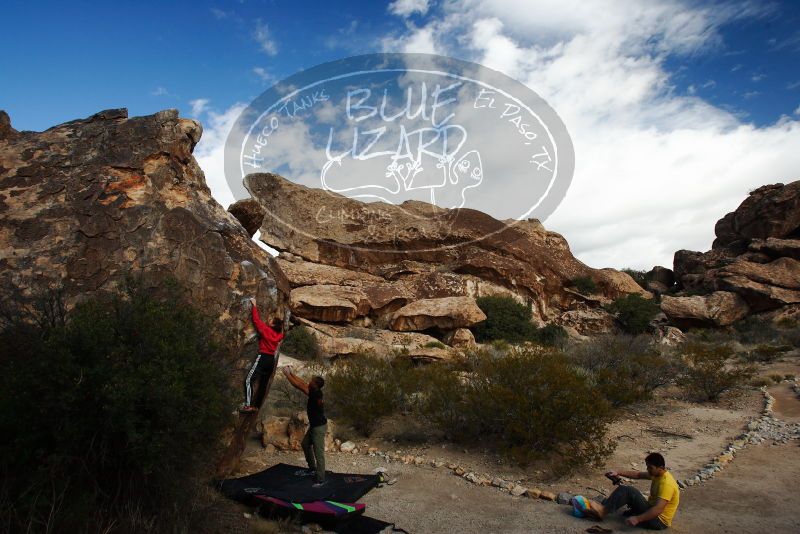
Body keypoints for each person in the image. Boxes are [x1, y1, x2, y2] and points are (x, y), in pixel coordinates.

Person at [572, 453, 680, 530]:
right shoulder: (657, 474)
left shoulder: (666, 484)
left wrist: (638, 519)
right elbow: (638, 475)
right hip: (651, 509)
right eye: (647, 467)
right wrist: (618, 472)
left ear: (660, 468)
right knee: (626, 490)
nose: (648, 470)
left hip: (658, 521)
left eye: (650, 468)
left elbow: (658, 510)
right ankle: (602, 508)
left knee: (628, 491)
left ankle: (602, 511)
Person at [282, 365, 327, 486]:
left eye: (312, 381)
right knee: (305, 444)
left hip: (319, 428)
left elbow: (299, 386)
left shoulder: (316, 394)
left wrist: (287, 375)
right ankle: (312, 469)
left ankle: (320, 479)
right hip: (314, 426)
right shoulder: (314, 390)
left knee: (319, 453)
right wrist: (292, 373)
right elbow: (302, 383)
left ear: (316, 385)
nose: (310, 381)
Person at [240, 298, 284, 414]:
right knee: (263, 384)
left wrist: (254, 305)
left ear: (273, 324)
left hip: (263, 357)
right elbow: (280, 330)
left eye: (271, 320)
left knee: (248, 380)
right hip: (271, 361)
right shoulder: (278, 335)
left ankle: (248, 405)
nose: (269, 320)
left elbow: (256, 320)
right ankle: (256, 406)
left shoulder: (266, 330)